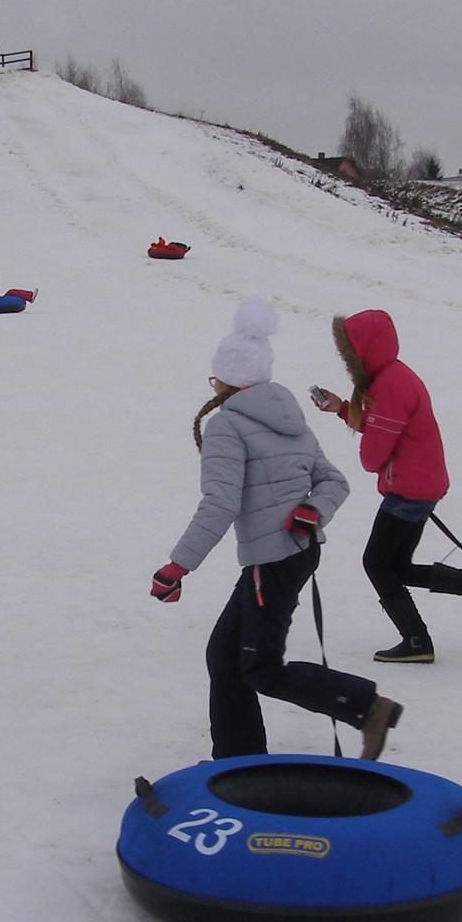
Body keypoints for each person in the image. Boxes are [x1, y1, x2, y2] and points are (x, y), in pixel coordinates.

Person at [150, 300, 404, 762]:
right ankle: (237, 758)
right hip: (292, 553)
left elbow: (220, 503)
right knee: (223, 657)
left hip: (274, 560)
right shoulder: (286, 415)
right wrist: (312, 510)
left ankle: (366, 708)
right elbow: (334, 482)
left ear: (225, 378)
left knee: (261, 668)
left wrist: (176, 567)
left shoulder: (228, 425)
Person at [311, 309, 462, 663]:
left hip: (409, 490)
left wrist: (365, 433)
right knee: (397, 566)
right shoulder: (394, 376)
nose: (348, 359)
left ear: (366, 350)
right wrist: (343, 409)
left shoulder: (389, 387)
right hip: (420, 484)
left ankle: (417, 641)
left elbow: (372, 457)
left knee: (376, 563)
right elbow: (382, 429)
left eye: (350, 352)